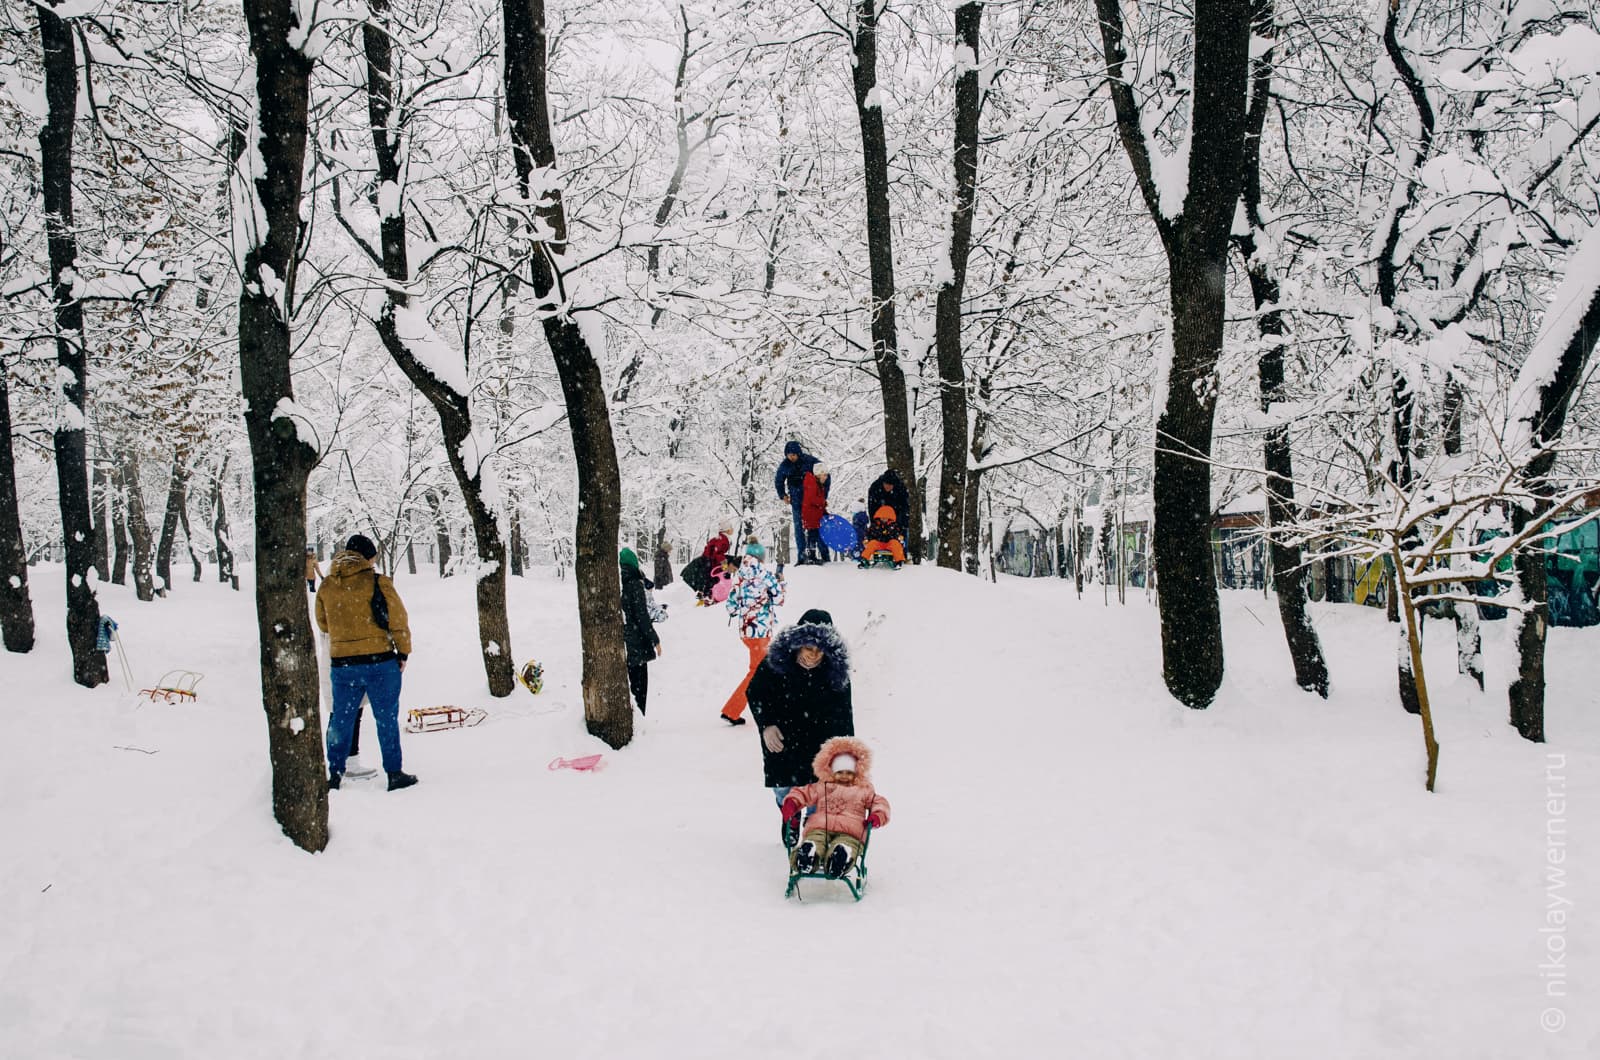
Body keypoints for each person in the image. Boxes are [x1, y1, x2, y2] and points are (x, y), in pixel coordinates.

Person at [316, 533, 418, 792]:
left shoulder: (327, 585)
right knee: (386, 718)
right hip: (379, 662)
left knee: (341, 718)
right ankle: (394, 773)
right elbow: (398, 619)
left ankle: (336, 773)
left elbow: (322, 622)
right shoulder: (378, 582)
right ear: (367, 557)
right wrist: (403, 652)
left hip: (343, 665)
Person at [745, 608, 854, 844]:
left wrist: (843, 755)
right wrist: (766, 725)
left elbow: (844, 716)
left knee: (817, 792)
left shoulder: (836, 674)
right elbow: (755, 693)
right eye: (808, 648)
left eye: (819, 651)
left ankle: (812, 829)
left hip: (819, 740)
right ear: (797, 645)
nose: (813, 656)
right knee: (784, 789)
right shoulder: (776, 663)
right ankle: (790, 816)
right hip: (782, 738)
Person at [781, 735, 889, 878]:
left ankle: (840, 858)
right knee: (814, 840)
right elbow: (804, 792)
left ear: (856, 772)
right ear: (832, 771)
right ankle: (807, 856)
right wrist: (792, 802)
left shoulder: (864, 789)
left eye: (849, 773)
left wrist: (877, 816)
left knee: (847, 844)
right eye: (840, 772)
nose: (844, 776)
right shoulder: (822, 786)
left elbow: (879, 803)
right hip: (820, 828)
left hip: (851, 832)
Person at [720, 541, 785, 725]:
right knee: (758, 672)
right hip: (761, 631)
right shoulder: (765, 575)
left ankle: (766, 706)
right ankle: (732, 710)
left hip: (746, 632)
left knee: (765, 669)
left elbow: (731, 608)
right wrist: (781, 582)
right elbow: (780, 599)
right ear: (762, 557)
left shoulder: (739, 576)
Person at [619, 548, 661, 714]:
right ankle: (639, 717)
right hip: (637, 641)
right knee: (640, 687)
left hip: (629, 639)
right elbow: (642, 616)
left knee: (633, 684)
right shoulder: (635, 585)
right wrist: (655, 639)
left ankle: (636, 715)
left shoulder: (623, 583)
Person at [774, 441, 820, 560]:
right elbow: (779, 480)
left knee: (812, 526)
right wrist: (783, 495)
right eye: (789, 455)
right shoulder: (785, 465)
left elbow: (822, 472)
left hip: (811, 500)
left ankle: (812, 553)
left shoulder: (809, 461)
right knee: (799, 527)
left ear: (798, 453)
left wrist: (822, 492)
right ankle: (801, 554)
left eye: (793, 454)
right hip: (796, 500)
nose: (791, 457)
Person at [800, 464, 832, 564]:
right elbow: (812, 499)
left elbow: (817, 499)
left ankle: (812, 556)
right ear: (818, 474)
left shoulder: (817, 484)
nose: (826, 477)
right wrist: (822, 502)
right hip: (811, 515)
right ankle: (811, 557)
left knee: (814, 535)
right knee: (812, 535)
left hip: (815, 514)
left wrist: (824, 511)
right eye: (824, 475)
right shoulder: (812, 483)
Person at [858, 504, 905, 568]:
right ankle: (864, 559)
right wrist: (866, 539)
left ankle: (898, 561)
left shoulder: (894, 525)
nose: (883, 518)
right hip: (879, 543)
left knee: (896, 544)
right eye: (882, 517)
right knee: (872, 544)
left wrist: (899, 536)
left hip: (889, 544)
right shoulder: (874, 525)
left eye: (885, 517)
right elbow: (868, 533)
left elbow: (897, 534)